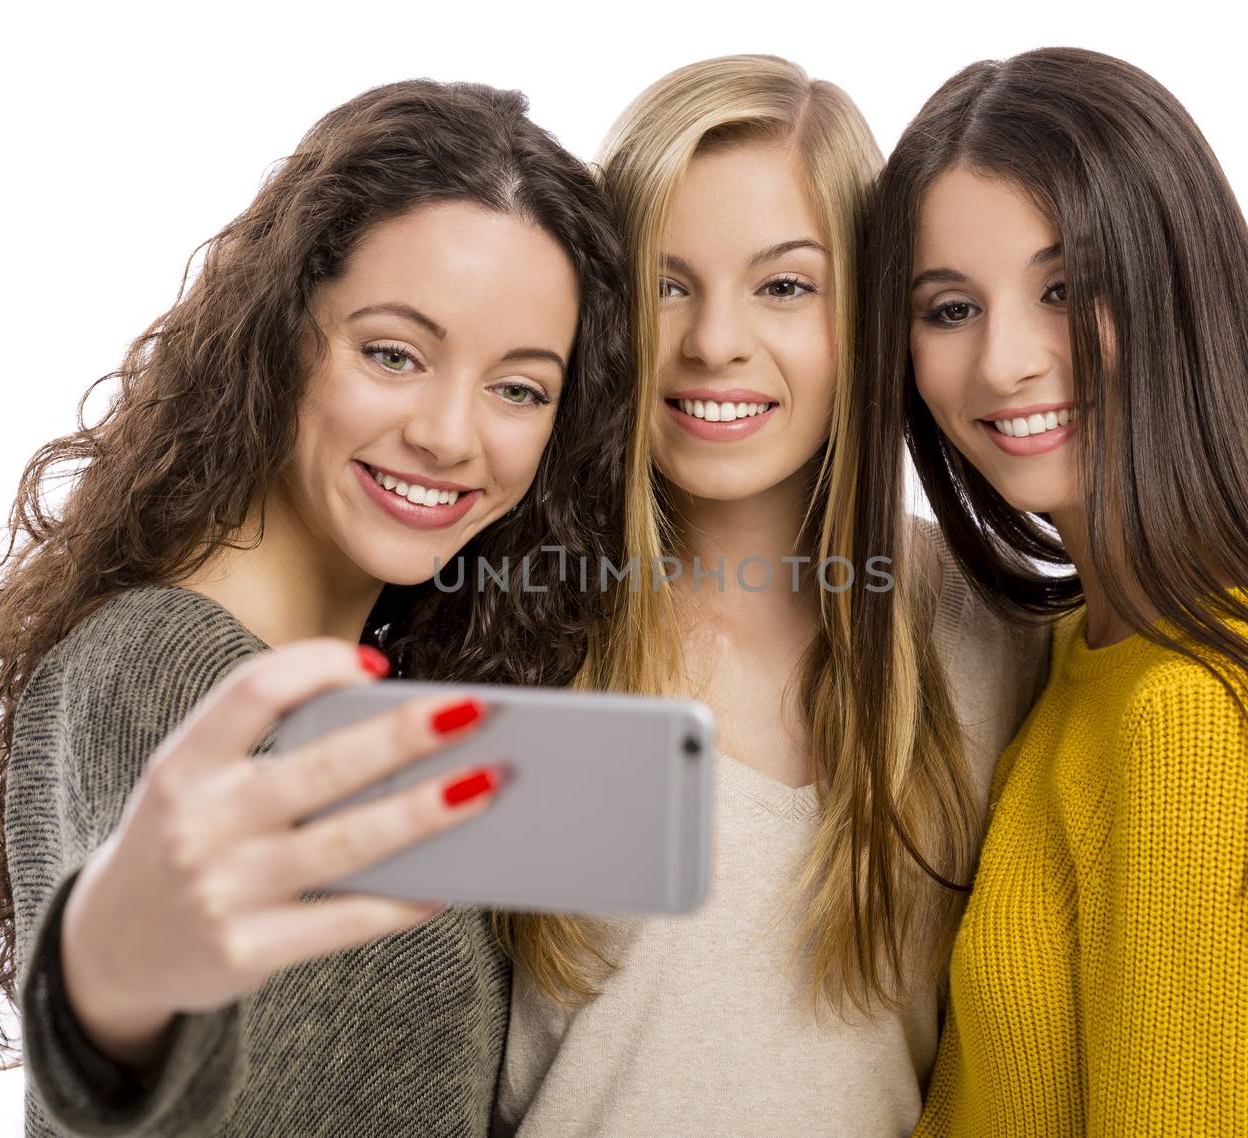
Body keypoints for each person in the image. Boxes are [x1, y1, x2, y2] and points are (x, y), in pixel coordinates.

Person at [0, 79, 632, 1137]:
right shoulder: (167, 669)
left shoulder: (359, 678)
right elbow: (139, 1073)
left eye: (519, 388)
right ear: (283, 331)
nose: (447, 433)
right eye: (394, 353)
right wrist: (110, 995)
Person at [862, 46, 1248, 1136]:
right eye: (948, 309)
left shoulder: (1204, 714)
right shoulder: (1092, 652)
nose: (1004, 363)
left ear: (1182, 287)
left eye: (1065, 290)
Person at [493, 55, 1047, 1136]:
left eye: (784, 285)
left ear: (869, 316)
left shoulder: (998, 638)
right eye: (666, 282)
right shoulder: (514, 625)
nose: (713, 341)